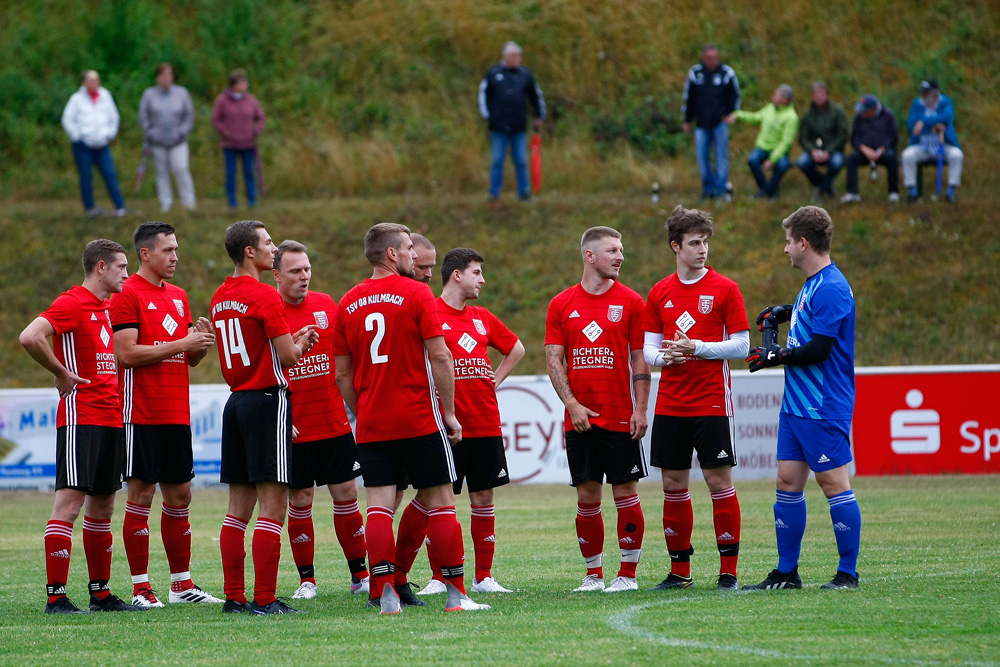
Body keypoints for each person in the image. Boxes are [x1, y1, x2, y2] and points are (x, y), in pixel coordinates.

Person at [332, 223, 489, 613]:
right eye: (407, 248)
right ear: (391, 254)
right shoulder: (418, 293)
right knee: (441, 503)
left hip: (372, 422)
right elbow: (440, 357)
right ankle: (456, 594)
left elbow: (341, 374)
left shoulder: (348, 302)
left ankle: (385, 595)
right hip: (419, 417)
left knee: (380, 507)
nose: (413, 255)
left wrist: (362, 407)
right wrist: (449, 413)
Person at [744, 205, 861, 591]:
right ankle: (786, 572)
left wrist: (777, 355)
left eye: (788, 241)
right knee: (787, 481)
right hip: (796, 406)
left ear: (804, 243)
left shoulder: (831, 286)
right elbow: (810, 315)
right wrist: (785, 311)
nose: (785, 249)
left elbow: (821, 348)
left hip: (822, 404)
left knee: (833, 483)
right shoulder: (814, 284)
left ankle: (847, 574)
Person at [19, 239, 138, 613]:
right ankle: (56, 597)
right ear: (101, 267)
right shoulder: (72, 302)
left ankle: (100, 594)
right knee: (69, 505)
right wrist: (60, 372)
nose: (127, 274)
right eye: (121, 267)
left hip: (110, 418)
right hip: (80, 418)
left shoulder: (104, 307)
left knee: (102, 507)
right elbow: (30, 336)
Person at [109, 222, 221, 608]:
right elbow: (128, 354)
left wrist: (200, 344)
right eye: (168, 250)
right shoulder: (126, 294)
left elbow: (187, 358)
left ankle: (181, 585)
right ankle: (141, 588)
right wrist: (182, 341)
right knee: (140, 496)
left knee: (181, 495)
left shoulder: (178, 296)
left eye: (176, 249)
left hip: (176, 412)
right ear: (146, 254)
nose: (175, 256)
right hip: (141, 413)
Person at [210, 220, 319, 615]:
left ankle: (234, 597)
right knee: (273, 507)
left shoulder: (220, 297)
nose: (274, 248)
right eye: (268, 242)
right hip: (267, 400)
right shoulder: (264, 296)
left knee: (237, 509)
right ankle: (265, 597)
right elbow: (287, 357)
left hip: (236, 402)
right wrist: (303, 340)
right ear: (249, 252)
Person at [405, 248, 525, 597]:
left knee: (484, 496)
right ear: (456, 275)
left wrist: (496, 379)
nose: (482, 280)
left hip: (484, 421)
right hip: (443, 426)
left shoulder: (482, 317)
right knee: (438, 500)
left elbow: (515, 348)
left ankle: (483, 576)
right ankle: (438, 577)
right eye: (476, 272)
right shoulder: (429, 312)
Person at [642, 205, 750, 591]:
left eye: (705, 242)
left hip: (712, 403)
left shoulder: (725, 288)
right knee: (673, 485)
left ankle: (729, 572)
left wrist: (698, 347)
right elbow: (649, 352)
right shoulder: (659, 292)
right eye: (694, 243)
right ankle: (680, 572)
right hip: (670, 405)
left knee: (719, 483)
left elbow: (742, 345)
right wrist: (666, 357)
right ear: (676, 246)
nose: (702, 249)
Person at [545, 226, 651, 593]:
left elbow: (639, 360)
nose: (620, 256)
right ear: (589, 256)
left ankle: (628, 575)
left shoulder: (633, 302)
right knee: (587, 495)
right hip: (579, 418)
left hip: (621, 414)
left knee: (625, 492)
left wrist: (641, 409)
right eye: (612, 250)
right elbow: (554, 360)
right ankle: (593, 576)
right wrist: (572, 404)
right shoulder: (561, 304)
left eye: (621, 250)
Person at [270, 241, 369, 600]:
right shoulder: (269, 312)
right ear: (277, 274)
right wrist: (279, 416)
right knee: (300, 500)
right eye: (295, 271)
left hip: (333, 422)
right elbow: (260, 369)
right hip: (294, 426)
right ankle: (307, 581)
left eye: (307, 269)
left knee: (347, 494)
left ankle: (360, 576)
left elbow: (344, 360)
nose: (304, 276)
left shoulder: (328, 305)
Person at [478, 42, 546, 202]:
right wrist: (489, 116)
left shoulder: (525, 74)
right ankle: (494, 193)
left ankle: (524, 192)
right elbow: (483, 96)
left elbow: (535, 96)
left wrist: (539, 115)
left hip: (518, 126)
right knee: (497, 160)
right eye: (514, 56)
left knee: (521, 160)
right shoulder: (493, 73)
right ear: (505, 56)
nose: (517, 59)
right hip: (498, 127)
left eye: (519, 56)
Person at [61, 70, 126, 217]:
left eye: (96, 80)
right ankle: (90, 208)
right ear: (84, 83)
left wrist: (110, 134)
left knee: (109, 174)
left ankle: (120, 206)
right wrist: (77, 135)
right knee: (86, 176)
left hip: (102, 144)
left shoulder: (105, 96)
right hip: (83, 145)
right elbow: (67, 119)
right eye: (90, 80)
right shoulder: (77, 99)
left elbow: (114, 117)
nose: (94, 83)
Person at [681, 44, 741, 201]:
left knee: (721, 157)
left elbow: (735, 96)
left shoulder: (726, 73)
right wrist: (687, 120)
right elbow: (689, 98)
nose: (713, 60)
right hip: (701, 124)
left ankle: (721, 191)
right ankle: (708, 189)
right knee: (702, 157)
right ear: (704, 57)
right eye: (709, 58)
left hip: (719, 123)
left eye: (715, 57)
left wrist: (730, 114)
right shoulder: (695, 73)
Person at [139, 63, 196, 212]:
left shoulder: (181, 93)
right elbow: (144, 116)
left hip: (178, 142)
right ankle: (166, 203)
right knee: (161, 173)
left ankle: (189, 203)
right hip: (157, 142)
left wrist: (182, 132)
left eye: (169, 75)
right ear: (157, 78)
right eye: (163, 75)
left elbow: (189, 116)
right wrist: (151, 133)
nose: (166, 78)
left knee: (181, 169)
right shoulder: (149, 94)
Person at [902, 79, 963, 203]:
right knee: (907, 155)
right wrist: (935, 123)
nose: (923, 96)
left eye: (926, 93)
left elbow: (946, 118)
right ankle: (912, 190)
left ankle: (951, 190)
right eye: (922, 93)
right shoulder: (917, 104)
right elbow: (911, 123)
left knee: (957, 155)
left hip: (942, 144)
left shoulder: (946, 102)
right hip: (922, 145)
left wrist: (924, 122)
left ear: (934, 94)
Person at [211, 70, 266, 208]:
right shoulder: (222, 100)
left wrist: (256, 130)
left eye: (245, 82)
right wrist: (225, 132)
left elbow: (260, 117)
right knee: (231, 173)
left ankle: (252, 200)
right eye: (242, 82)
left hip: (248, 143)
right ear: (234, 85)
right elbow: (216, 119)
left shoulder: (251, 100)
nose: (245, 85)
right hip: (230, 144)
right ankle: (232, 201)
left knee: (249, 172)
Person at [734, 84, 799, 199]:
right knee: (753, 159)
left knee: (783, 165)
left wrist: (772, 160)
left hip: (779, 151)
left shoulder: (791, 117)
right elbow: (755, 118)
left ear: (784, 99)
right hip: (762, 148)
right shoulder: (769, 108)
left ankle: (764, 193)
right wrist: (738, 114)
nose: (773, 97)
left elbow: (786, 142)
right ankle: (769, 191)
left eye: (776, 95)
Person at [840, 95, 900, 203]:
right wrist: (864, 149)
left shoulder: (888, 115)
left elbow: (893, 137)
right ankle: (852, 193)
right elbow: (854, 138)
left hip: (883, 151)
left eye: (865, 111)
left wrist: (881, 150)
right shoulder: (858, 117)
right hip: (864, 152)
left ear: (873, 109)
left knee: (892, 158)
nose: (862, 113)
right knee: (852, 158)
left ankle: (893, 192)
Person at [796, 82, 848, 199]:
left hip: (833, 150)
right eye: (815, 94)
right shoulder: (808, 114)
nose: (818, 97)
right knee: (802, 162)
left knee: (837, 162)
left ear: (827, 95)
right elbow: (803, 137)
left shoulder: (838, 112)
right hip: (813, 151)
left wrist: (828, 151)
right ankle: (826, 186)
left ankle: (821, 189)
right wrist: (812, 150)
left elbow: (842, 135)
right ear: (812, 97)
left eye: (821, 94)